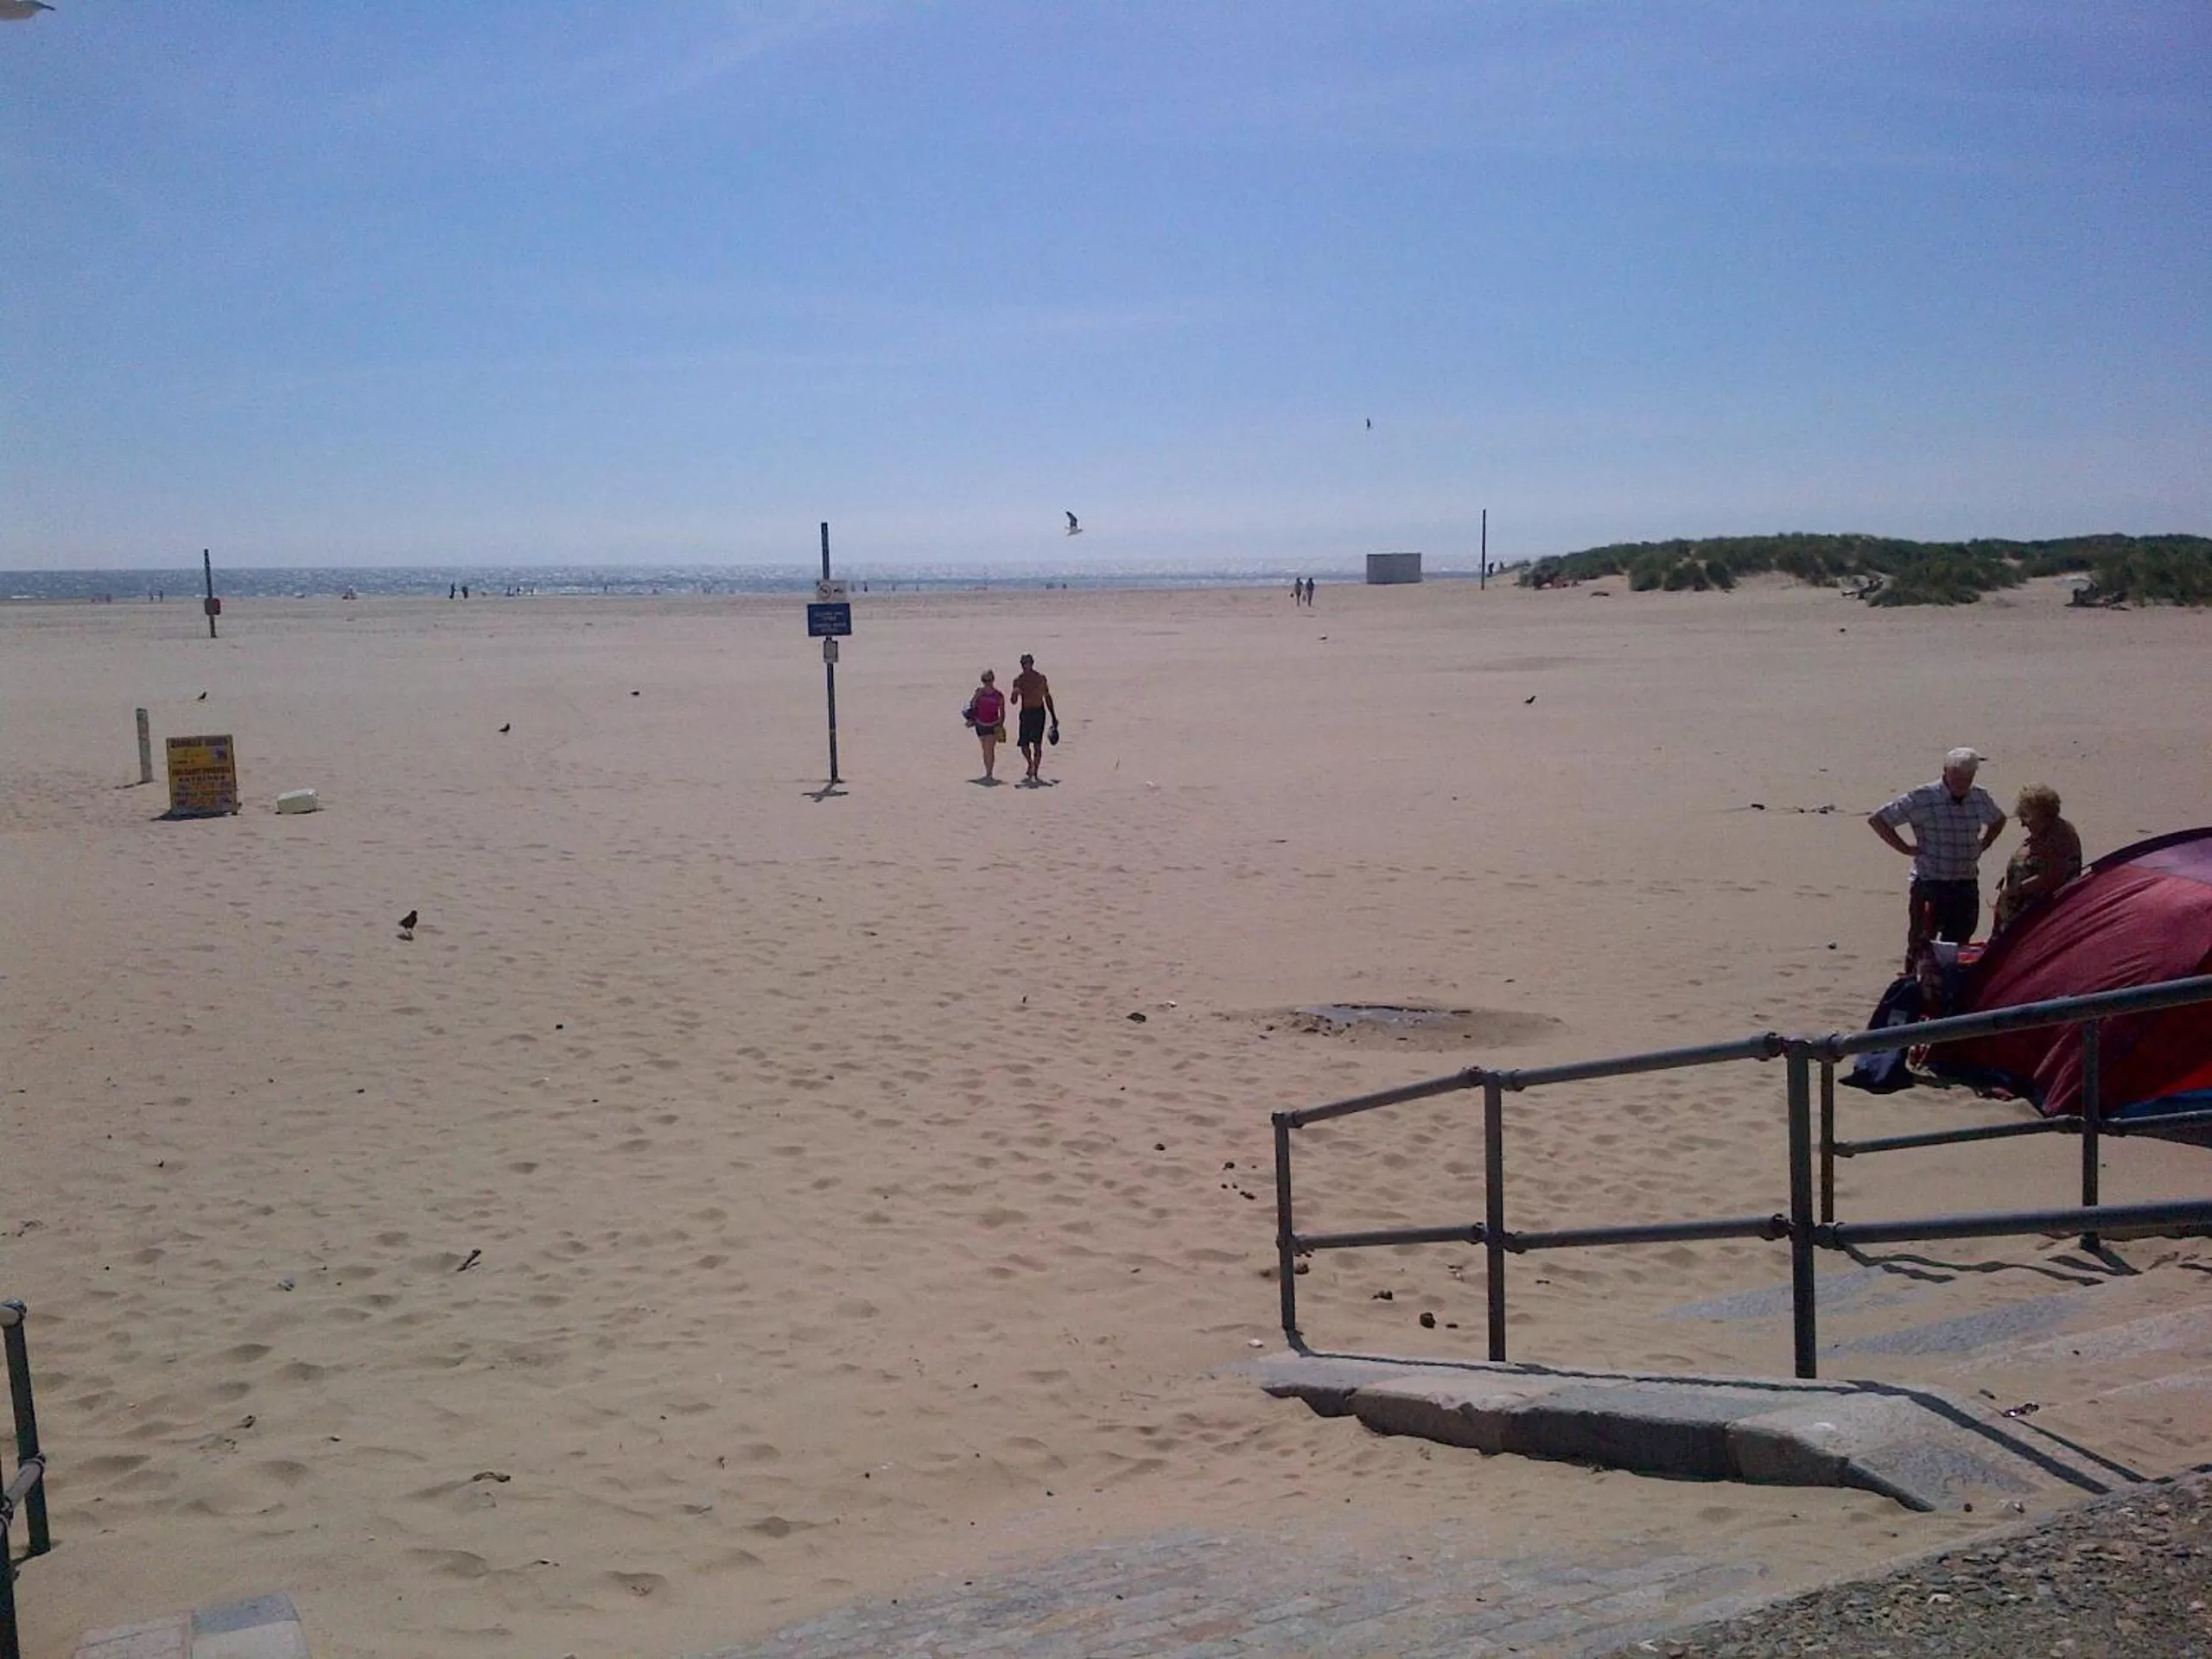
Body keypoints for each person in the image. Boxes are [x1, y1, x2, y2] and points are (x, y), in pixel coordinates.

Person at [1869, 747, 2007, 971]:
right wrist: (1904, 848)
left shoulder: (1979, 796)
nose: (1962, 784)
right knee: (1922, 942)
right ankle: (1913, 985)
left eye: (1968, 779)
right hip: (1931, 883)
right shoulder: (1923, 797)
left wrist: (1985, 843)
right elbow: (1879, 820)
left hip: (1965, 883)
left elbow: (1998, 819)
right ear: (1946, 772)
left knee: (1959, 943)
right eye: (1957, 778)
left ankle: (1949, 989)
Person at [1993, 783, 2082, 931]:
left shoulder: (2057, 837)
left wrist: (2016, 890)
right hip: (2022, 911)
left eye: (2026, 816)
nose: (2022, 823)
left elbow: (2054, 876)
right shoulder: (2041, 833)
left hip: (2040, 916)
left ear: (2042, 814)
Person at [1009, 652, 1058, 784]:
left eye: (1028, 663)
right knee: (1023, 744)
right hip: (1026, 713)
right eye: (1024, 663)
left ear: (1032, 663)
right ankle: (1030, 763)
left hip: (1038, 712)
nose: (1026, 666)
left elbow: (1047, 697)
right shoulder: (1018, 680)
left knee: (1037, 744)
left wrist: (1053, 716)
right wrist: (1015, 693)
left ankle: (1035, 770)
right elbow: (1013, 701)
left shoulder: (1040, 678)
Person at [964, 669, 1007, 781]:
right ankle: (987, 769)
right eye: (985, 680)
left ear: (993, 680)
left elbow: (1002, 712)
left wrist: (1001, 726)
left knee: (989, 749)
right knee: (984, 749)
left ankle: (989, 773)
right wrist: (977, 695)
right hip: (980, 724)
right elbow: (972, 705)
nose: (987, 683)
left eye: (989, 680)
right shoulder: (979, 692)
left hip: (993, 725)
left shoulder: (998, 695)